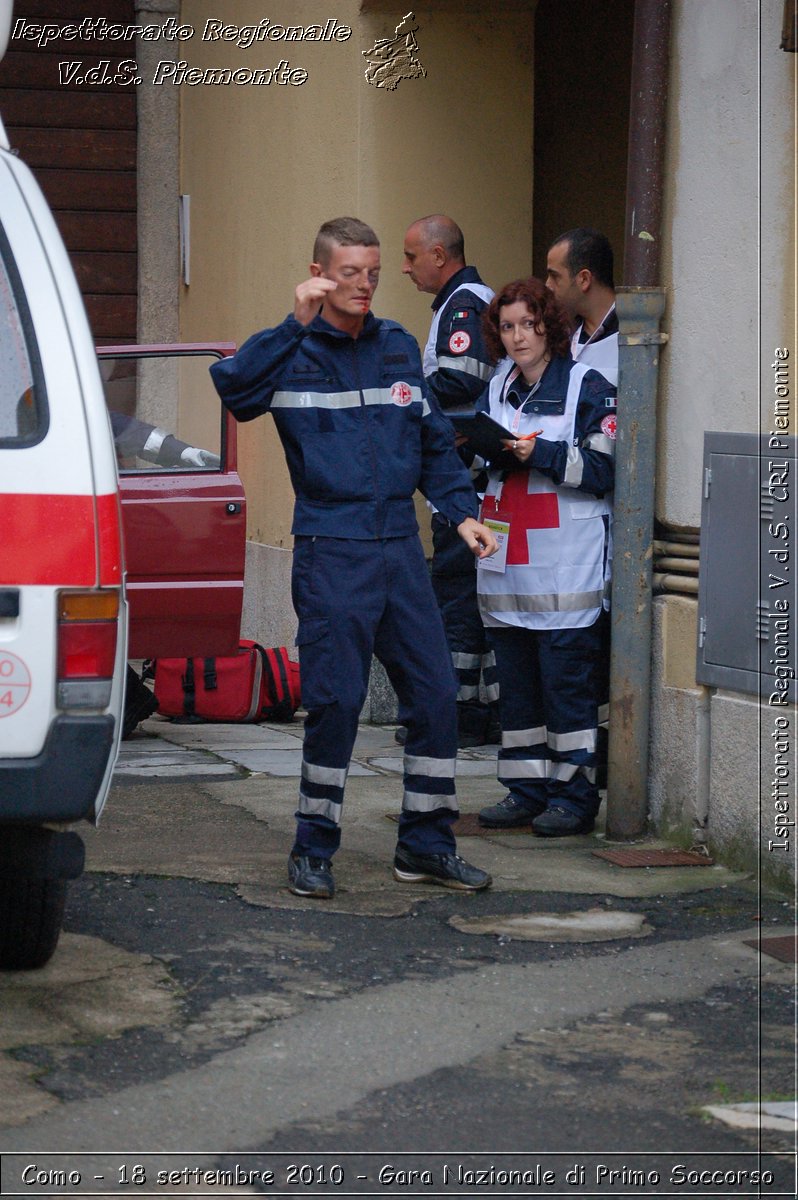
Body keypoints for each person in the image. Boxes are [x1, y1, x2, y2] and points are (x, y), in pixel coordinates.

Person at [209, 217, 497, 898]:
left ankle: (425, 846)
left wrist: (462, 514)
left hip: (398, 546)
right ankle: (313, 849)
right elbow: (233, 390)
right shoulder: (290, 350)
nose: (366, 283)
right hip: (331, 548)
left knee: (434, 695)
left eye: (372, 271)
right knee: (335, 703)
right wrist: (291, 322)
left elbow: (431, 441)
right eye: (350, 272)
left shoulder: (398, 346)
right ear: (318, 273)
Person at [475, 278, 616, 837]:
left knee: (567, 691)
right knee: (519, 693)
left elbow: (607, 468)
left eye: (528, 325)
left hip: (566, 572)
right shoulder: (498, 389)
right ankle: (524, 790)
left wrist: (545, 454)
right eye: (507, 327)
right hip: (506, 569)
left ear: (549, 327)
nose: (518, 337)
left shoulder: (589, 385)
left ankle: (574, 798)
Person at [401, 214, 498, 747]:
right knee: (464, 598)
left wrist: (404, 391)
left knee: (458, 597)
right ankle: (473, 710)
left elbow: (460, 378)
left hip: (467, 482)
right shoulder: (460, 303)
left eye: (412, 256)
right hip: (464, 478)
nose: (405, 267)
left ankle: (461, 715)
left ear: (440, 255)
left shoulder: (465, 304)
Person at [545, 227, 618, 384]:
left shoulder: (633, 336)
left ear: (584, 279)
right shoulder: (557, 333)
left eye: (554, 276)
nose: (547, 285)